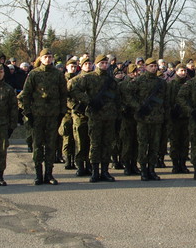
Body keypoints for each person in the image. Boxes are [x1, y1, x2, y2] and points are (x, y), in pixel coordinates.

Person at [68, 54, 121, 183]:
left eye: (105, 63)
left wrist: (117, 113)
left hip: (109, 116)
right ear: (96, 64)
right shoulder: (88, 78)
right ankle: (95, 171)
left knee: (107, 144)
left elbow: (117, 97)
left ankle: (105, 171)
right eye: (101, 63)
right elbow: (74, 90)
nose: (104, 65)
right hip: (95, 115)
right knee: (95, 144)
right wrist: (89, 101)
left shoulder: (111, 80)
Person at [19, 49, 67, 185]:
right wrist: (27, 112)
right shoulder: (34, 74)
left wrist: (62, 112)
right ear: (41, 58)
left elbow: (63, 94)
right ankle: (38, 174)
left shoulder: (58, 74)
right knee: (38, 145)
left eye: (50, 57)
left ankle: (49, 174)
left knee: (51, 145)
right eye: (45, 57)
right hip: (37, 115)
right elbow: (26, 94)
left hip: (53, 115)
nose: (48, 59)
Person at [126, 58, 166, 181]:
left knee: (154, 145)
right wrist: (138, 107)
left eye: (155, 66)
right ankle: (143, 169)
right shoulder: (138, 81)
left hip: (157, 118)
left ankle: (151, 169)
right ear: (146, 67)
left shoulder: (161, 83)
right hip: (143, 118)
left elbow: (166, 99)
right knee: (143, 145)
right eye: (151, 66)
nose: (154, 68)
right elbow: (128, 94)